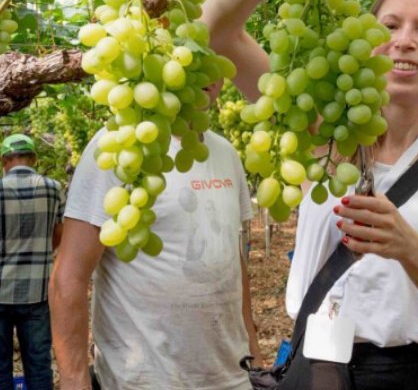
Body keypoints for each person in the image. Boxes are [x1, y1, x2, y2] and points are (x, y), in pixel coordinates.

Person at [201, 0, 418, 389]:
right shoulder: (322, 135)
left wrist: (409, 247)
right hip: (316, 369)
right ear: (362, 46)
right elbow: (216, 34)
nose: (404, 40)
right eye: (390, 26)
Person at [49, 80, 263, 390]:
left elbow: (234, 265)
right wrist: (75, 382)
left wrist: (254, 362)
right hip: (143, 381)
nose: (209, 73)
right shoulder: (118, 149)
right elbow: (67, 278)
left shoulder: (226, 153)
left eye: (217, 53)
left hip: (232, 378)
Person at [0, 133, 65, 390]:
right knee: (38, 364)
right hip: (37, 292)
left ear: (4, 161)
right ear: (34, 158)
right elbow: (58, 235)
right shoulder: (53, 188)